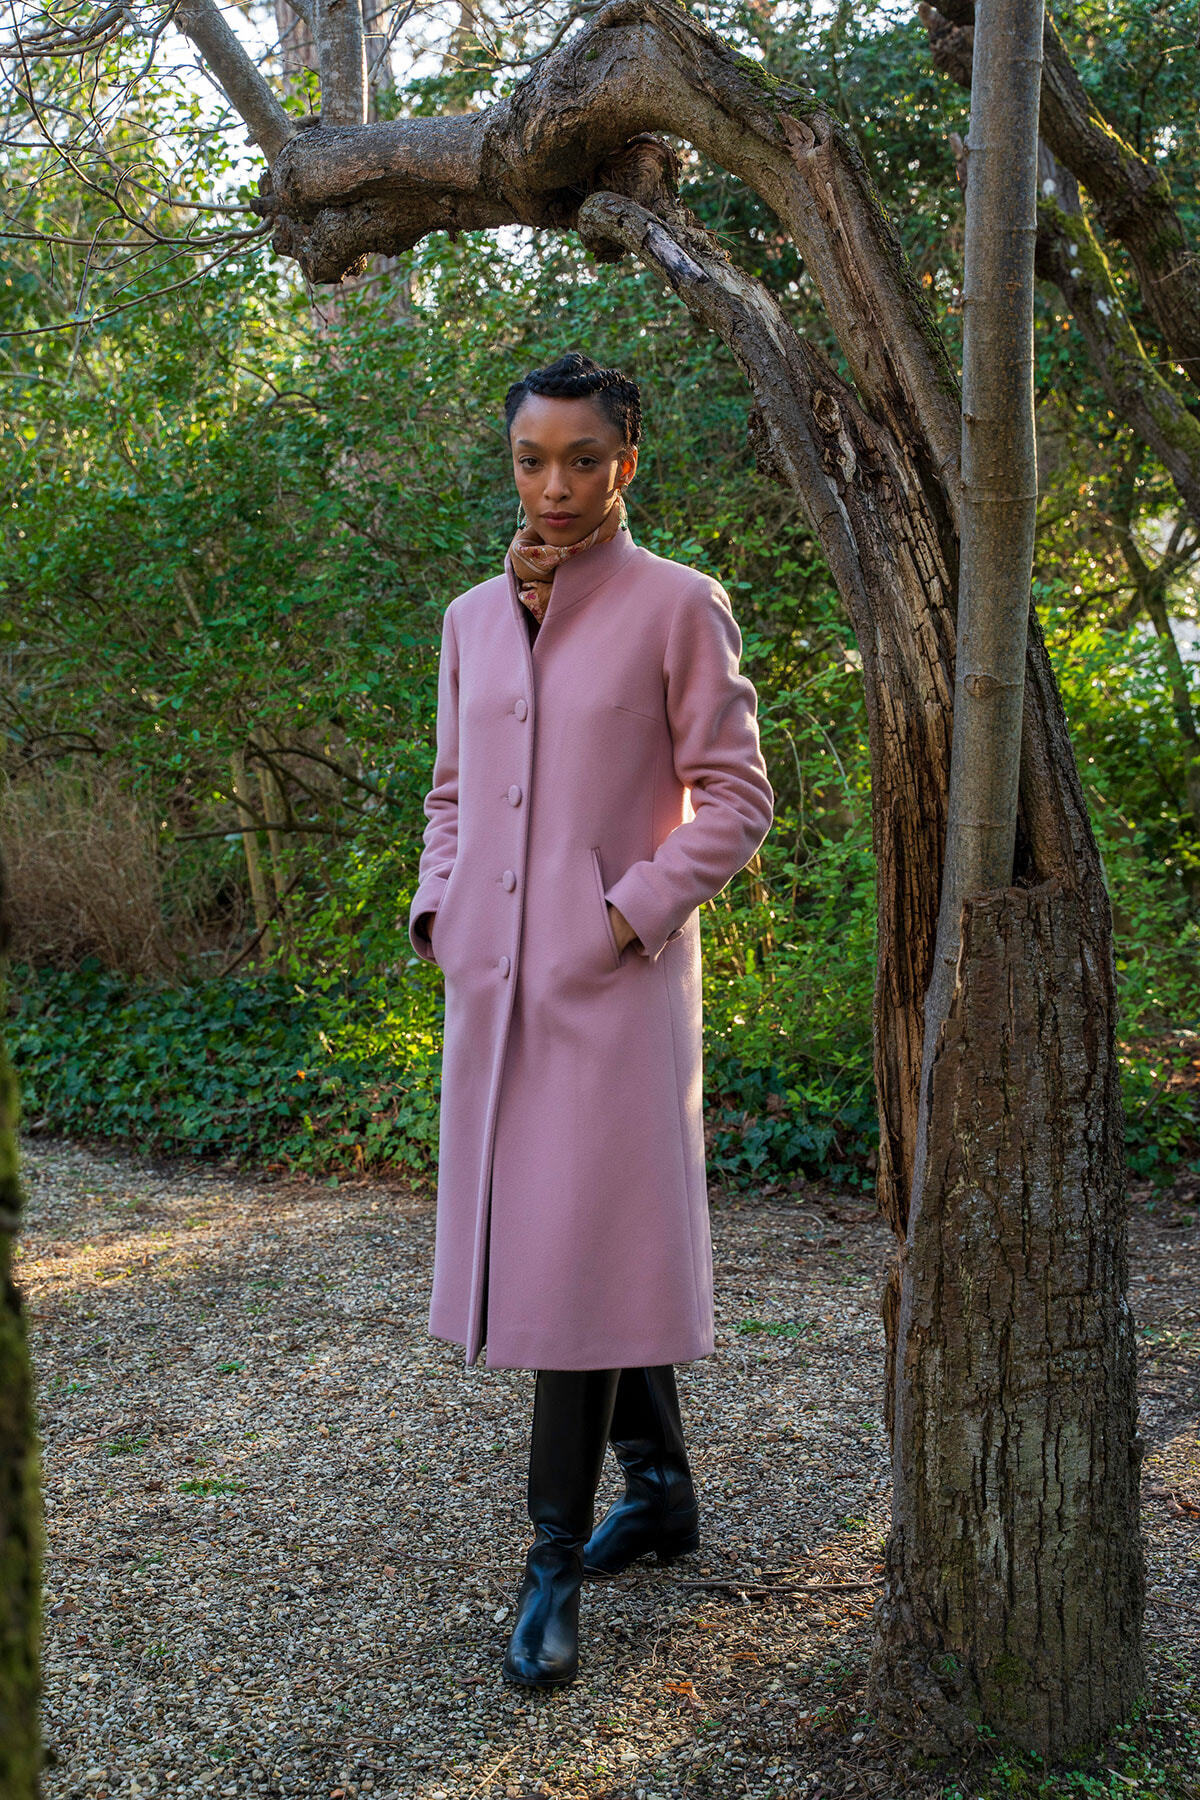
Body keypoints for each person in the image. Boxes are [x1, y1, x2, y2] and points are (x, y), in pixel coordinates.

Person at [407, 352, 774, 1688]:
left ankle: (552, 1559)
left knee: (568, 1268)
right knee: (593, 1248)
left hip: (612, 997)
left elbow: (734, 797)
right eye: (529, 459)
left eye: (580, 459)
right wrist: (441, 919)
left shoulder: (681, 606)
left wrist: (622, 916)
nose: (552, 486)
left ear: (629, 461)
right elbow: (452, 794)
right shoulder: (469, 620)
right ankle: (663, 1490)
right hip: (494, 997)